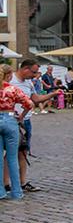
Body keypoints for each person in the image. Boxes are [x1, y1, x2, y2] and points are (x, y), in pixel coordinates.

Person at [0, 66, 35, 200]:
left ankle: (1, 191)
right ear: (9, 76)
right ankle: (16, 191)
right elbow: (29, 103)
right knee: (12, 157)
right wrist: (21, 116)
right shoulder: (12, 89)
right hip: (10, 120)